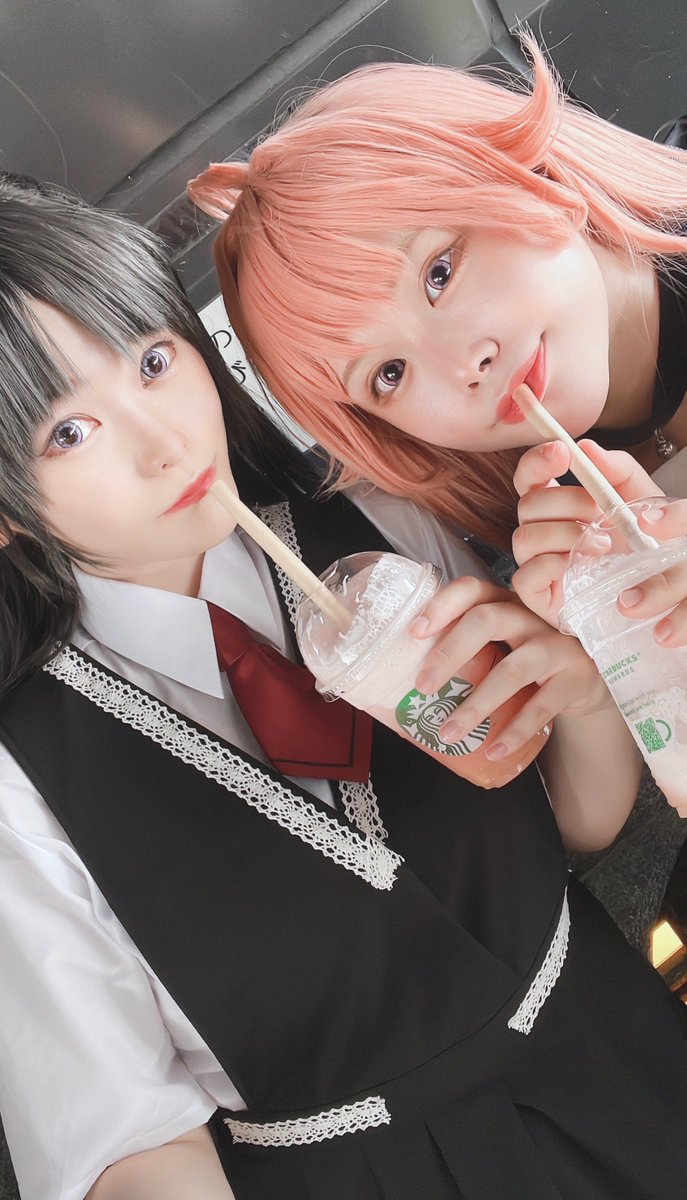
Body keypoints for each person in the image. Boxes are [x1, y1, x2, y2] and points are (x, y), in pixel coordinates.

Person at [0, 175, 683, 1200]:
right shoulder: (21, 778)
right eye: (68, 432)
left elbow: (576, 826)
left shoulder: (385, 526)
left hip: (623, 1060)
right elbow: (125, 1141)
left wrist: (580, 694)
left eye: (151, 362)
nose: (165, 443)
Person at [187, 34, 687, 554]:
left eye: (439, 274)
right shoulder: (554, 528)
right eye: (390, 373)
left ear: (516, 171)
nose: (462, 366)